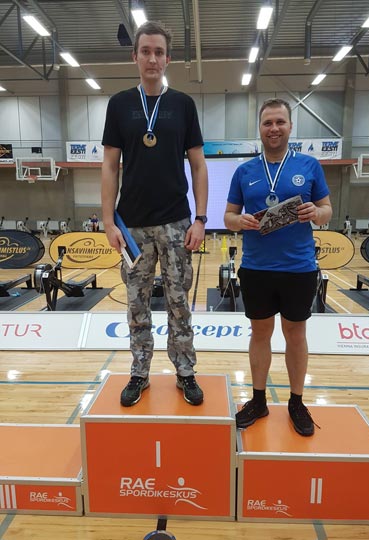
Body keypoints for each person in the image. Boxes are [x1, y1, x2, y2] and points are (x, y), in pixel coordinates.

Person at [101, 21, 208, 407]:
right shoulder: (119, 104)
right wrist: (108, 221)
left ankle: (185, 372)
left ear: (168, 59)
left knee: (179, 302)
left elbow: (198, 165)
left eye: (158, 52)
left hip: (177, 222)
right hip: (132, 227)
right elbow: (109, 166)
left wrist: (201, 219)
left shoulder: (183, 104)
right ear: (135, 56)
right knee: (136, 304)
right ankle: (140, 373)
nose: (152, 58)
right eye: (145, 51)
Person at [224, 98, 332, 436]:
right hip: (256, 268)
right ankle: (258, 400)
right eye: (268, 122)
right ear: (260, 127)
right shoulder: (244, 171)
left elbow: (327, 210)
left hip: (299, 267)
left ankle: (296, 402)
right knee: (260, 334)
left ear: (290, 126)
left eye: (280, 122)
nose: (274, 128)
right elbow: (228, 216)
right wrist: (239, 221)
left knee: (295, 334)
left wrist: (317, 212)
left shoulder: (309, 165)